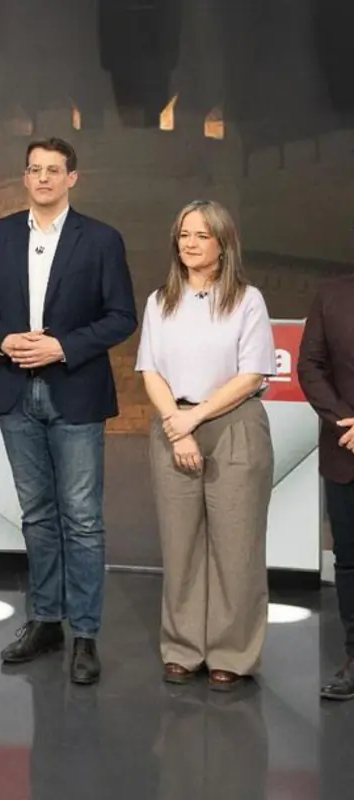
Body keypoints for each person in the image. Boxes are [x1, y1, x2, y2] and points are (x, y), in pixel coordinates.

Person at [0, 137, 137, 685]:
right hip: (16, 391)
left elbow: (121, 316)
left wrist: (62, 346)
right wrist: (4, 340)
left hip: (75, 390)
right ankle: (45, 620)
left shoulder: (102, 240)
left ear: (72, 179)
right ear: (25, 178)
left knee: (82, 519)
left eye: (53, 170)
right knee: (37, 515)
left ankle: (85, 631)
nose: (42, 178)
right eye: (34, 169)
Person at [135, 200, 276, 692]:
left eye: (200, 235)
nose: (189, 244)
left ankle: (232, 653)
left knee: (236, 548)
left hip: (233, 425)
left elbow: (253, 373)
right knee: (181, 547)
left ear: (223, 244)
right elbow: (149, 370)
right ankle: (182, 648)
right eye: (183, 235)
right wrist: (178, 423)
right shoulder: (161, 301)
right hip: (174, 425)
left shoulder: (246, 299)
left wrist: (193, 418)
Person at [299, 273, 354, 700]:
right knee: (349, 561)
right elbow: (310, 366)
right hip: (345, 450)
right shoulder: (332, 294)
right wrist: (342, 420)